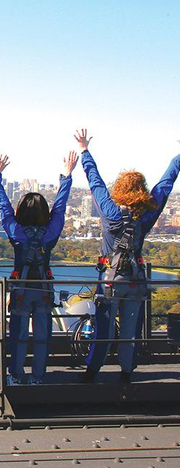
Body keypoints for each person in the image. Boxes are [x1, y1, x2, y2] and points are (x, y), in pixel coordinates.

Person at [76, 130, 180, 383]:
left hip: (111, 279)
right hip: (135, 278)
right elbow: (164, 186)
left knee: (104, 328)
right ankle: (126, 372)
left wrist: (84, 151)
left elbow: (96, 183)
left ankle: (93, 371)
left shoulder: (111, 213)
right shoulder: (146, 215)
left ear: (120, 189)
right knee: (130, 331)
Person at [0, 150, 77, 385]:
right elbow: (59, 207)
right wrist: (66, 176)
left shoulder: (17, 232)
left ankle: (16, 375)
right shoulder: (50, 232)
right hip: (44, 289)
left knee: (18, 336)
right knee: (41, 337)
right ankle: (38, 376)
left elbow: (4, 209)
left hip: (21, 289)